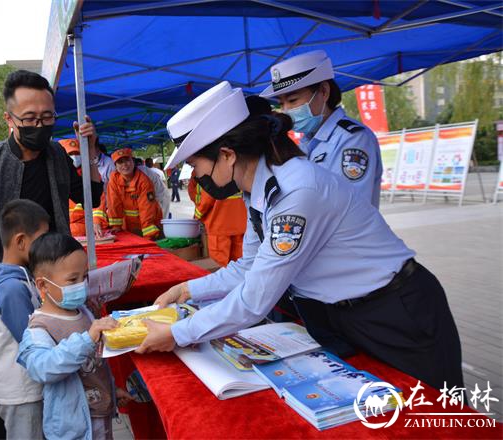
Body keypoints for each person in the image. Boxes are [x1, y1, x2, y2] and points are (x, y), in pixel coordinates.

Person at [136, 81, 463, 391]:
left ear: (227, 154)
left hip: (396, 312)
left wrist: (178, 333)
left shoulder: (295, 191)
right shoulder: (258, 191)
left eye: (196, 164)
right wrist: (187, 288)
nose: (196, 175)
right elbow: (249, 267)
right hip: (343, 315)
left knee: (436, 419)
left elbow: (254, 299)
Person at [0, 70, 103, 439]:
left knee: (50, 372)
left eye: (47, 118)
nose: (40, 126)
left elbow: (90, 195)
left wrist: (91, 151)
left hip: (46, 288)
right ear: (9, 119)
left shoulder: (57, 155)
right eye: (30, 119)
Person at [17, 232, 123, 440]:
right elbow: (42, 367)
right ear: (43, 285)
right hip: (74, 428)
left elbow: (96, 365)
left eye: (84, 276)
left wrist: (112, 391)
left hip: (101, 413)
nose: (81, 284)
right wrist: (87, 339)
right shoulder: (39, 327)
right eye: (72, 279)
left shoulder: (82, 311)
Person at [260, 50, 382, 208]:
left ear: (324, 91)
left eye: (292, 100)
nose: (286, 110)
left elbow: (346, 207)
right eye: (281, 104)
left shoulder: (353, 139)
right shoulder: (306, 141)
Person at [0, 200, 50, 440]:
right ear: (20, 241)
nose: (45, 245)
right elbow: (30, 337)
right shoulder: (11, 289)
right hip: (20, 392)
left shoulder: (20, 278)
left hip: (23, 388)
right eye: (41, 238)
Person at [187, 172, 246, 267]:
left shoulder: (209, 170)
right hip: (240, 225)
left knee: (219, 265)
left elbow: (206, 200)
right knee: (239, 264)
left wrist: (197, 216)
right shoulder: (237, 168)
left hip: (219, 225)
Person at [106, 148, 163, 240]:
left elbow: (147, 210)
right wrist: (116, 226)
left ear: (133, 161)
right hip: (128, 226)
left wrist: (149, 236)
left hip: (149, 225)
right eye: (120, 162)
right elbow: (113, 203)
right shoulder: (114, 178)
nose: (124, 165)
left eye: (127, 160)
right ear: (116, 166)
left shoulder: (144, 181)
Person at [59, 139, 107, 238]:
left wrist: (96, 221)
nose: (74, 157)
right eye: (70, 154)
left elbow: (98, 201)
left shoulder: (91, 175)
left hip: (83, 223)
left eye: (77, 153)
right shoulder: (58, 175)